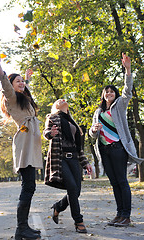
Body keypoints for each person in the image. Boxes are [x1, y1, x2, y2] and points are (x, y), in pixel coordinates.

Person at [0, 49, 43, 240]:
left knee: (30, 186)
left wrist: (26, 80)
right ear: (12, 86)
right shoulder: (11, 98)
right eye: (18, 81)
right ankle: (21, 229)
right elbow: (6, 85)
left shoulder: (24, 99)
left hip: (30, 142)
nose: (21, 83)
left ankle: (23, 227)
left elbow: (23, 88)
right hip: (24, 143)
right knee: (28, 186)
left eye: (22, 81)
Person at [89, 53, 143, 227]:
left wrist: (128, 69)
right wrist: (93, 130)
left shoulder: (119, 105)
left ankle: (126, 216)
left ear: (115, 94)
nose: (109, 93)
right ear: (103, 95)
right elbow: (92, 135)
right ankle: (119, 215)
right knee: (114, 183)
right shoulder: (98, 113)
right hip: (104, 150)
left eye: (112, 91)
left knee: (122, 181)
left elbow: (127, 91)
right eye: (107, 92)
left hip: (118, 148)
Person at [43, 99, 93, 234]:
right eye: (58, 100)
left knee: (76, 191)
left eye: (63, 99)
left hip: (74, 159)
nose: (61, 99)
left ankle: (58, 207)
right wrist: (50, 134)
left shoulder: (72, 122)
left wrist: (85, 163)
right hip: (60, 158)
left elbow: (78, 148)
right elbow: (46, 132)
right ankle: (79, 221)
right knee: (71, 186)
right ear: (55, 106)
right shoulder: (52, 118)